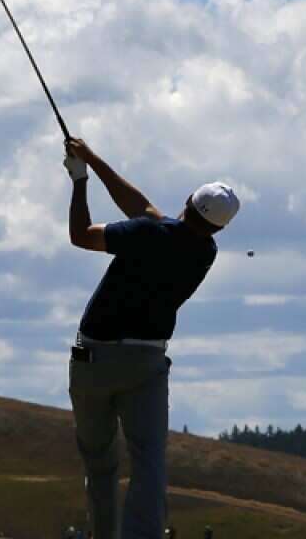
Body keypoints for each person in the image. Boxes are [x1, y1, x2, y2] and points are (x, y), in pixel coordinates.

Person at [64, 137, 239, 539]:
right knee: (148, 462)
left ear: (187, 201)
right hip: (146, 366)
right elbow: (141, 208)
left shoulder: (146, 234)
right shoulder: (204, 252)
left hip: (93, 359)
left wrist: (79, 179)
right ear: (218, 227)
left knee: (99, 459)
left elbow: (80, 234)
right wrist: (91, 160)